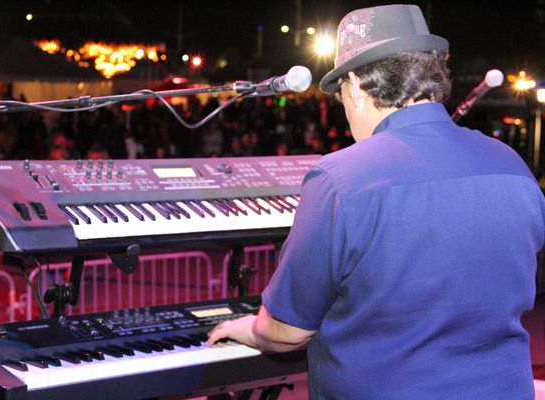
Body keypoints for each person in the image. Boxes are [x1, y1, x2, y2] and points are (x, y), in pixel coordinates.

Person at [207, 4, 545, 399]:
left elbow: (288, 330)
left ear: (355, 85)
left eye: (341, 98)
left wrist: (247, 328)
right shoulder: (510, 165)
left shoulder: (340, 178)